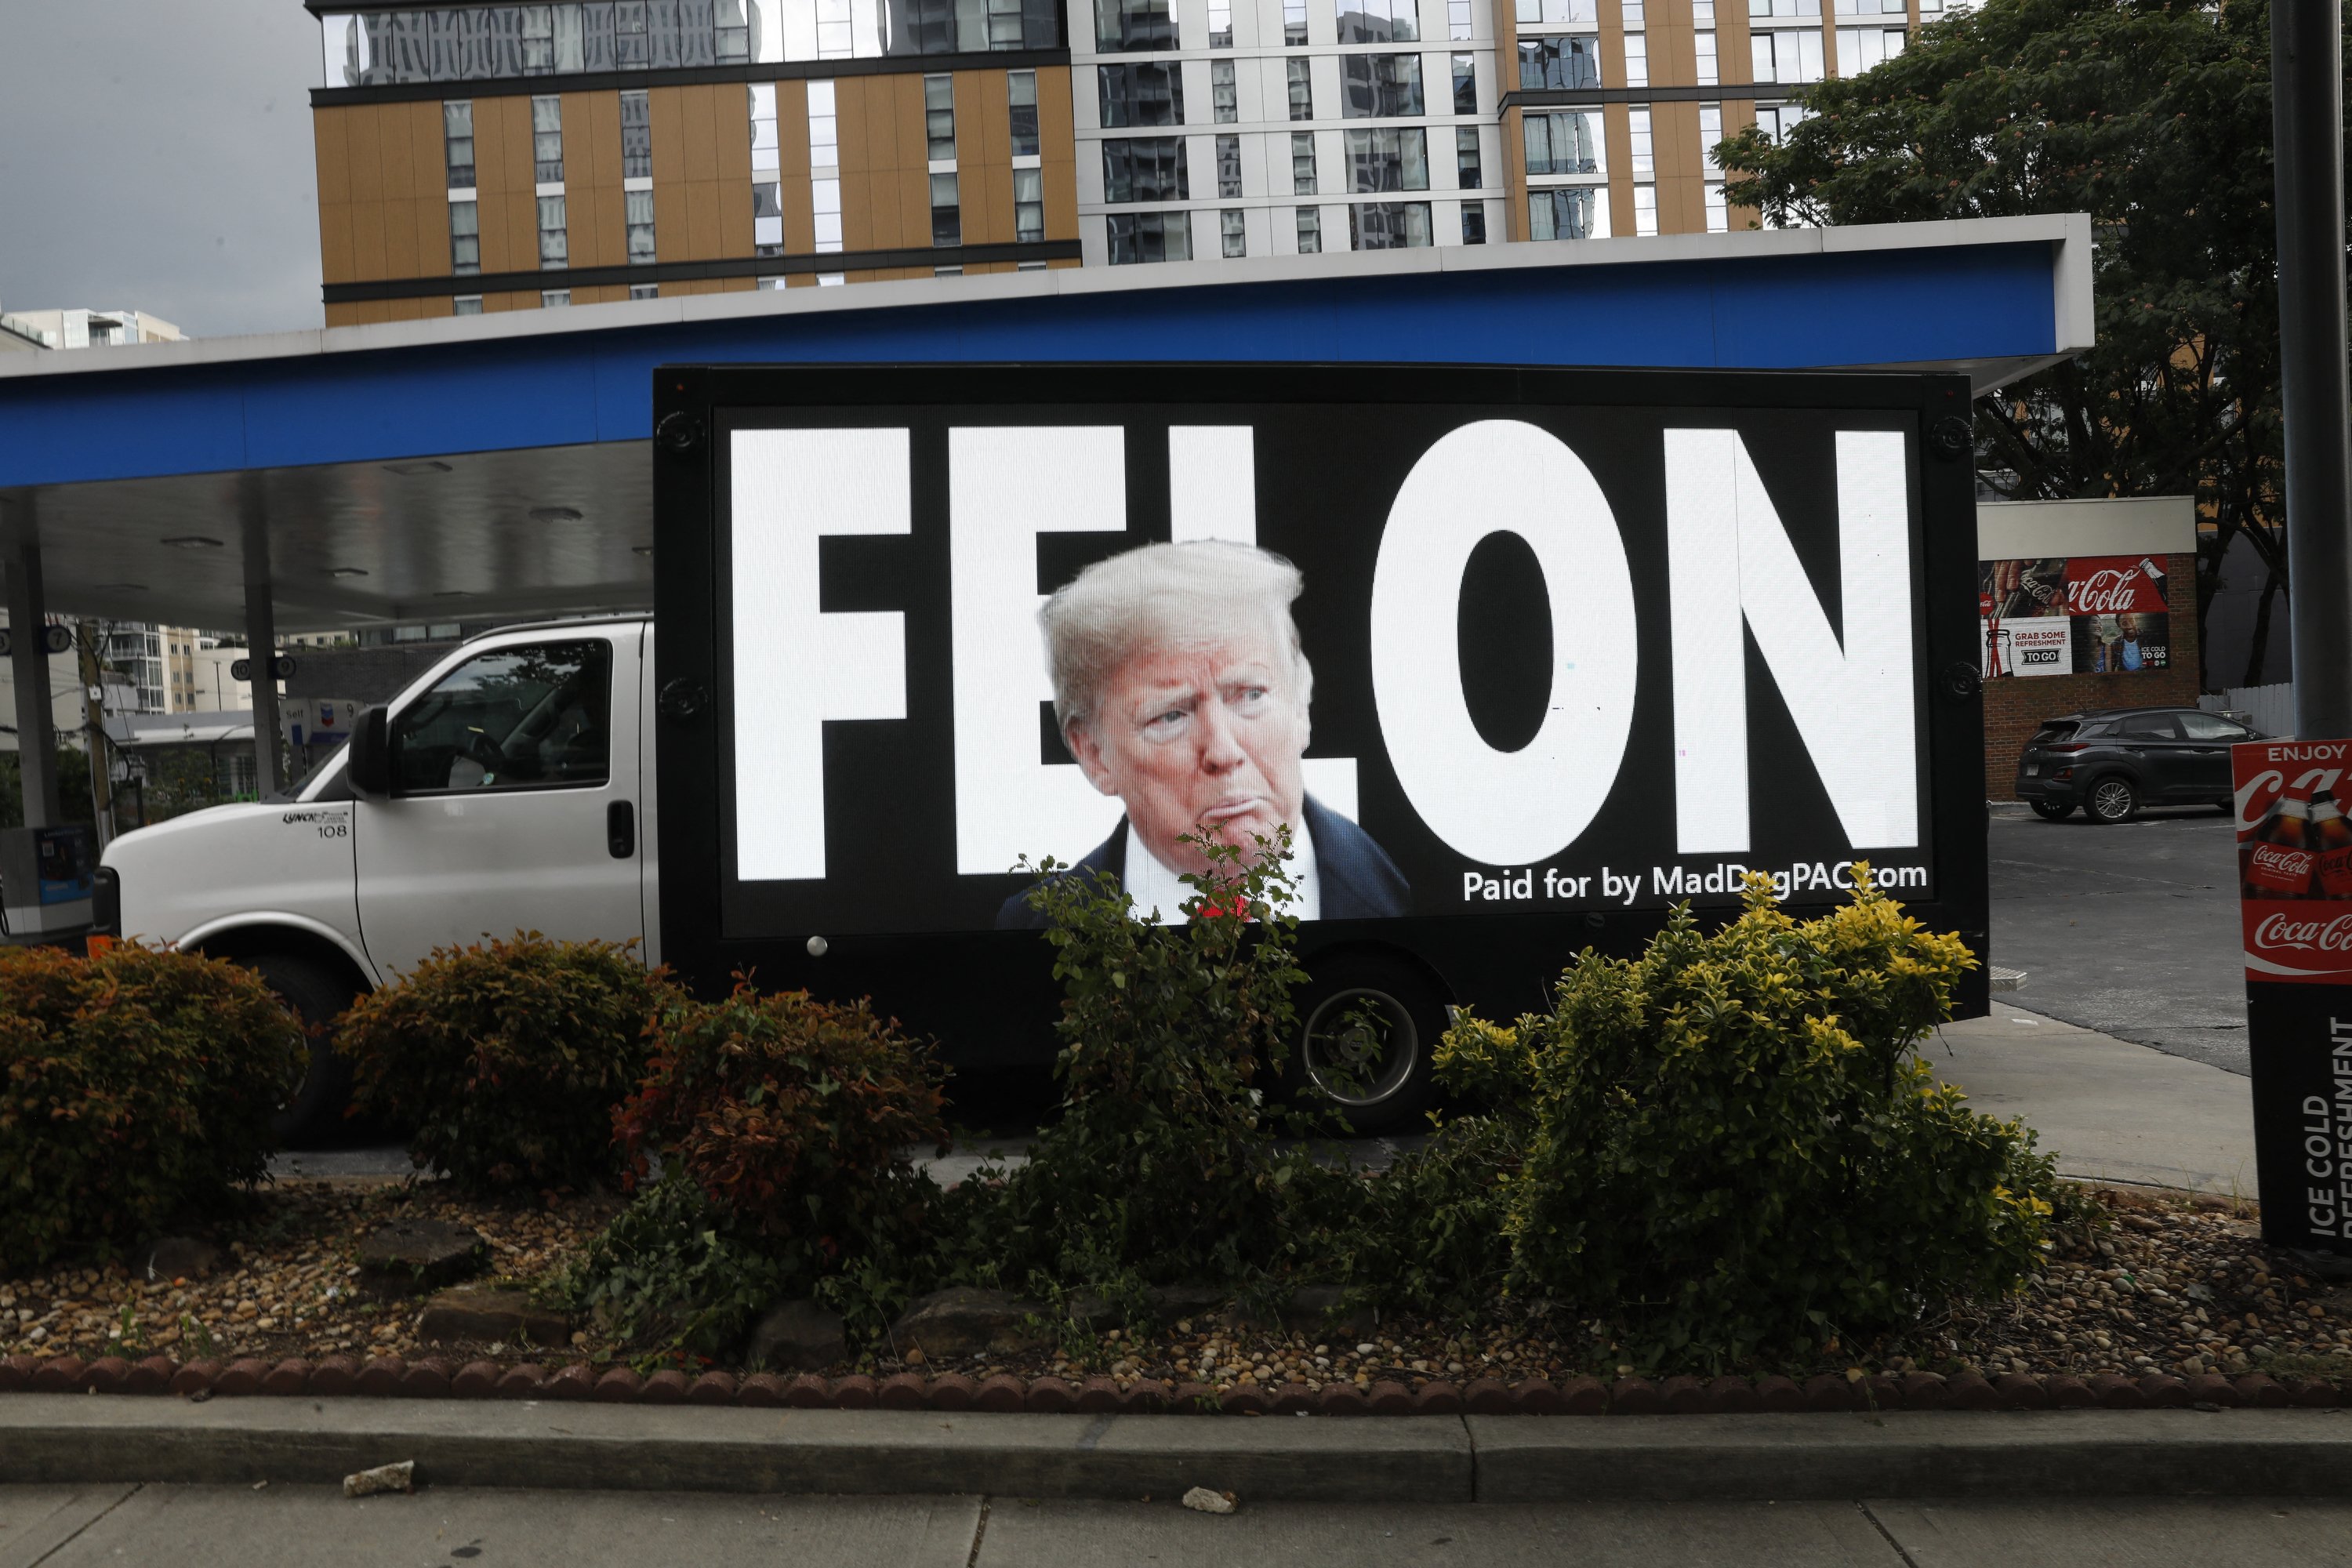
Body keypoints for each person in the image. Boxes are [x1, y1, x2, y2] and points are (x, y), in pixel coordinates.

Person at [995, 540, 1410, 929]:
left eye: (1251, 695)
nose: (1223, 751)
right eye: (1172, 716)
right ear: (1095, 756)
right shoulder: (1031, 925)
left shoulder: (1411, 893)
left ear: (1301, 704)